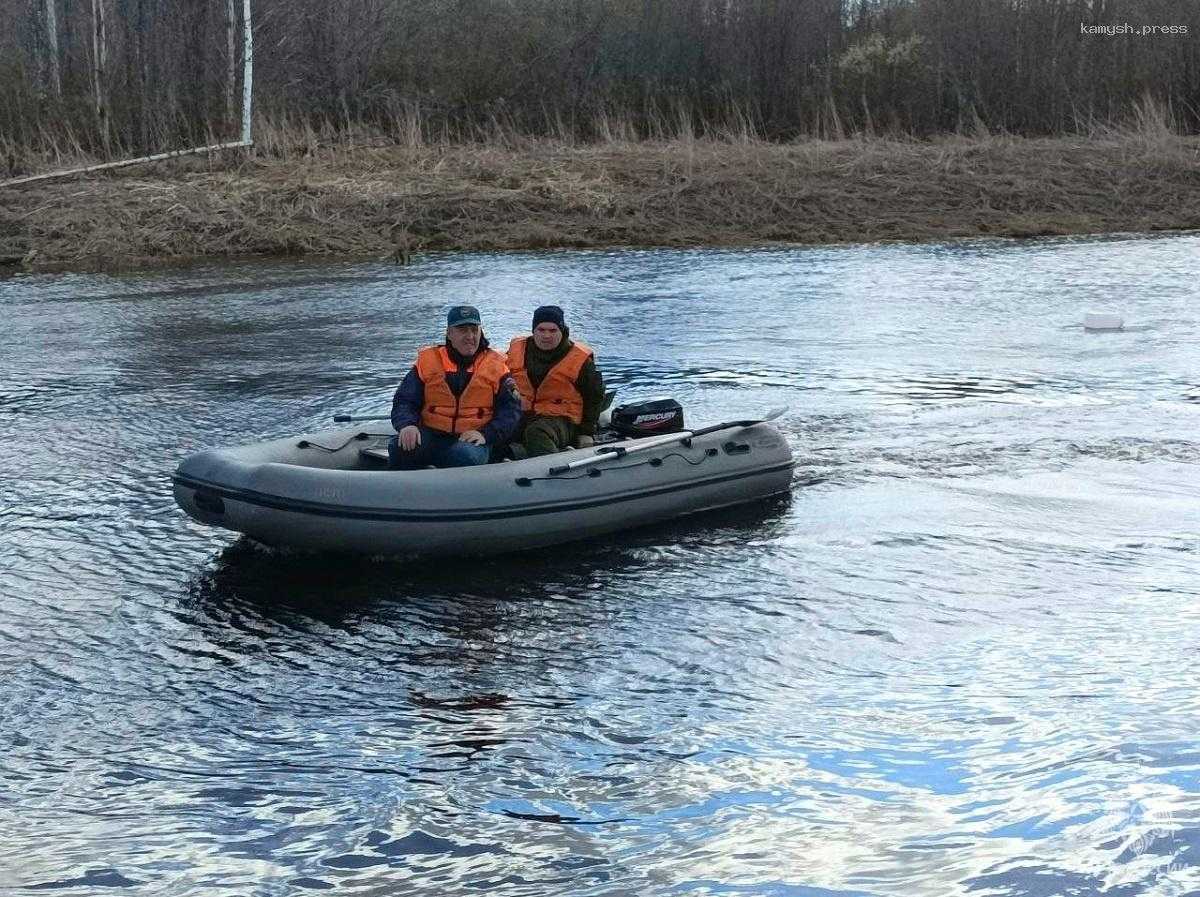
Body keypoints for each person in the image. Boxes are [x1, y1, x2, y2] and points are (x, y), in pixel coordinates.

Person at [388, 305, 523, 469]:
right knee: (399, 447)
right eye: (462, 330)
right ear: (449, 333)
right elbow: (405, 400)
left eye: (474, 330)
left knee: (464, 456)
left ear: (481, 332)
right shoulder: (428, 361)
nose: (470, 336)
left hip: (473, 438)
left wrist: (486, 434)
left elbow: (512, 409)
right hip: (432, 433)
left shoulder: (496, 366)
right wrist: (407, 424)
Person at [506, 305, 606, 458]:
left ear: (562, 331)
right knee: (500, 428)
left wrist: (586, 432)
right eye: (541, 330)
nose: (546, 335)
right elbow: (501, 378)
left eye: (553, 331)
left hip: (564, 419)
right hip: (524, 413)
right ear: (534, 331)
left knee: (537, 431)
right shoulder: (517, 349)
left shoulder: (579, 360)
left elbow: (595, 397)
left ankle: (553, 471)